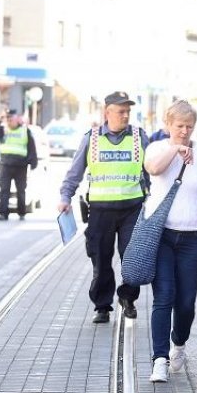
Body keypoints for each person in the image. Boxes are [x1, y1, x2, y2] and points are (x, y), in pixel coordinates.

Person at [143, 99, 197, 382]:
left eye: (189, 127)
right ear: (168, 125)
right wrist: (175, 150)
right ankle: (159, 359)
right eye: (179, 126)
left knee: (187, 302)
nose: (184, 131)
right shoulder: (157, 148)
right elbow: (153, 168)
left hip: (194, 237)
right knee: (164, 296)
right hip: (162, 235)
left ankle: (179, 342)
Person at [57, 91, 149, 324]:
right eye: (121, 111)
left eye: (128, 111)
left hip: (132, 209)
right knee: (101, 260)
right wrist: (65, 196)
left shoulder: (139, 137)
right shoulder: (92, 138)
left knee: (132, 258)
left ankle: (127, 297)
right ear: (107, 112)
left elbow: (152, 169)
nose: (126, 115)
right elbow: (75, 172)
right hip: (100, 211)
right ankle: (102, 305)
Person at [0, 109, 38, 220]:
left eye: (12, 119)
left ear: (17, 120)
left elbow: (31, 148)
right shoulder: (3, 129)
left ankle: (21, 213)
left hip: (21, 166)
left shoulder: (25, 131)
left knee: (21, 191)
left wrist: (33, 162)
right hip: (5, 165)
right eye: (8, 119)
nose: (10, 122)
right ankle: (3, 213)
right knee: (4, 190)